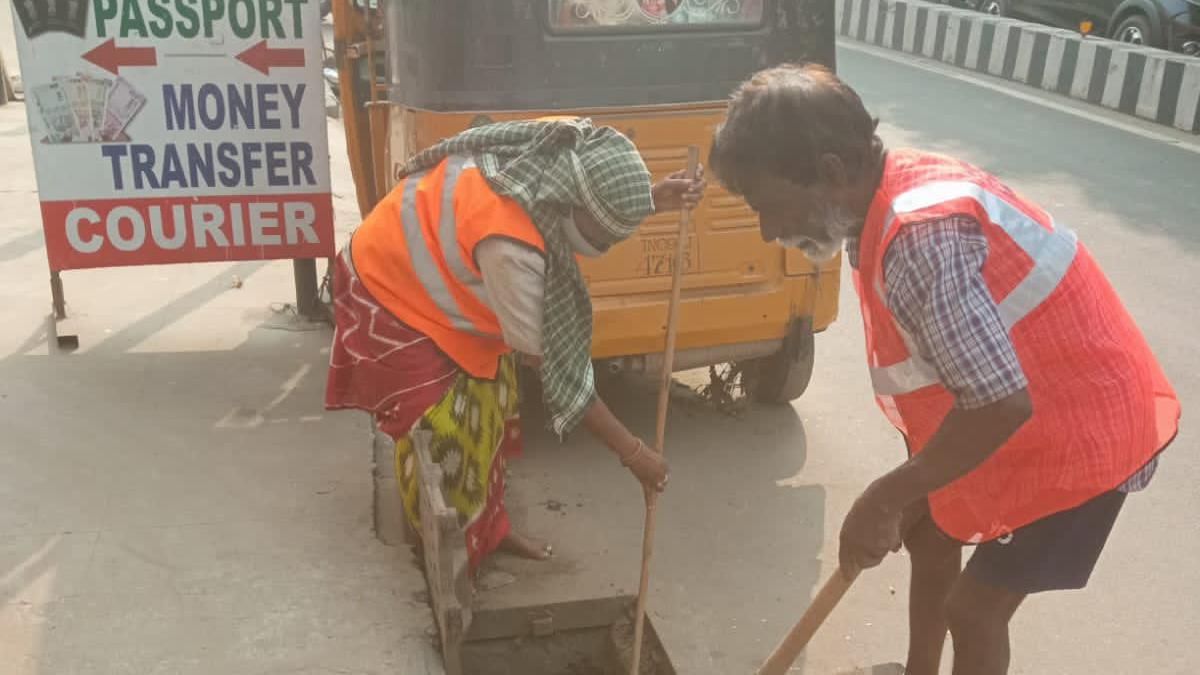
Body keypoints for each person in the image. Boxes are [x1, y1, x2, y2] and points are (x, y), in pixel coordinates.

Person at [709, 64, 1179, 675]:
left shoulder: (920, 237)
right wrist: (909, 492)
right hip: (1023, 407)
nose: (771, 230)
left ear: (829, 172)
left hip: (1083, 430)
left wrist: (882, 497)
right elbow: (952, 378)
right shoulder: (878, 200)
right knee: (931, 532)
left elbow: (1000, 404)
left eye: (771, 206)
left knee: (976, 611)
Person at [326, 118, 705, 572]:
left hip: (439, 267)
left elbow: (593, 199)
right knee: (442, 425)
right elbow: (556, 372)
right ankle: (438, 546)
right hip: (386, 285)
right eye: (602, 236)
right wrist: (633, 453)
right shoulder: (511, 248)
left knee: (492, 404)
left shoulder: (554, 152)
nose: (601, 247)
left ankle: (487, 530)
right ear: (571, 204)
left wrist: (652, 199)